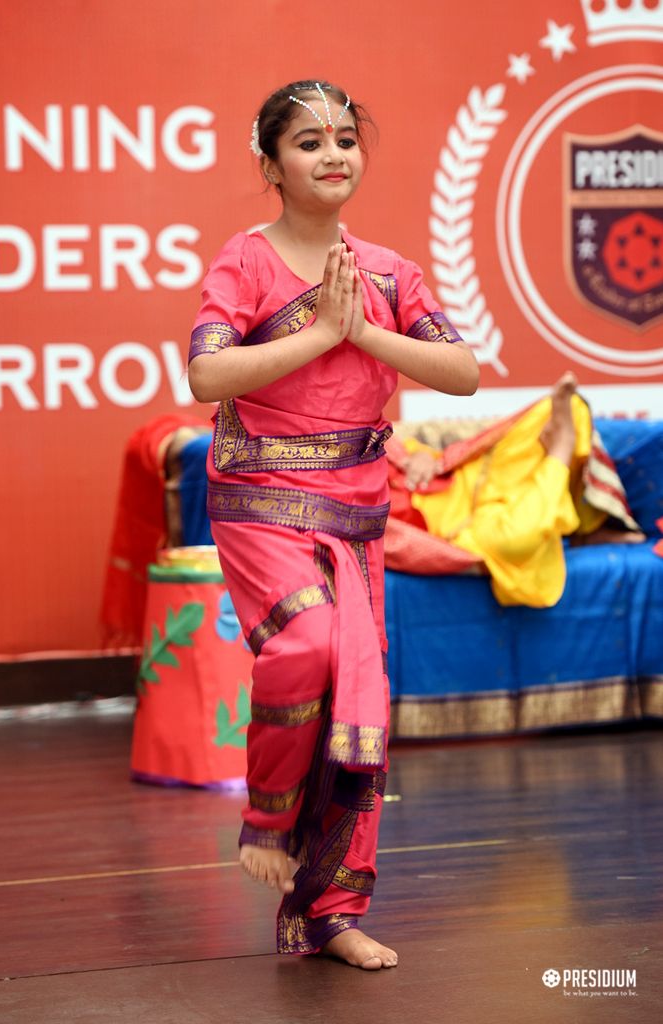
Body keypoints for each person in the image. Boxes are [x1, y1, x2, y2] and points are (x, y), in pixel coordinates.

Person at [187, 80, 479, 970]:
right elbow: (207, 378)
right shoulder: (245, 261)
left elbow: (460, 371)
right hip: (261, 497)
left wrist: (363, 333)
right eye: (308, 143)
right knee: (309, 646)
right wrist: (319, 335)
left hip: (354, 509)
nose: (332, 155)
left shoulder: (388, 272)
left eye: (345, 138)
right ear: (268, 163)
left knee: (359, 706)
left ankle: (331, 915)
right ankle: (265, 818)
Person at [388, 372, 644, 607]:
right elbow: (400, 547)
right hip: (470, 531)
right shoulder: (351, 515)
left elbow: (403, 447)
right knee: (514, 541)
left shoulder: (359, 441)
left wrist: (420, 456)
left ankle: (585, 527)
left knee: (568, 409)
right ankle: (560, 453)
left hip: (479, 480)